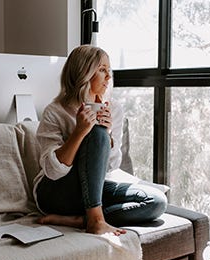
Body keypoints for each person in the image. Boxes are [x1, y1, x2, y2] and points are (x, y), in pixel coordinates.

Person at [33, 45, 167, 236]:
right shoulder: (55, 111)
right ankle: (96, 220)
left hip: (91, 191)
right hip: (55, 193)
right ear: (84, 73)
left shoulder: (114, 109)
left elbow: (111, 167)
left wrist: (108, 135)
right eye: (102, 70)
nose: (109, 77)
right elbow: (52, 171)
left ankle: (82, 219)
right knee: (96, 132)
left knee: (156, 202)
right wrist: (79, 132)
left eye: (109, 70)